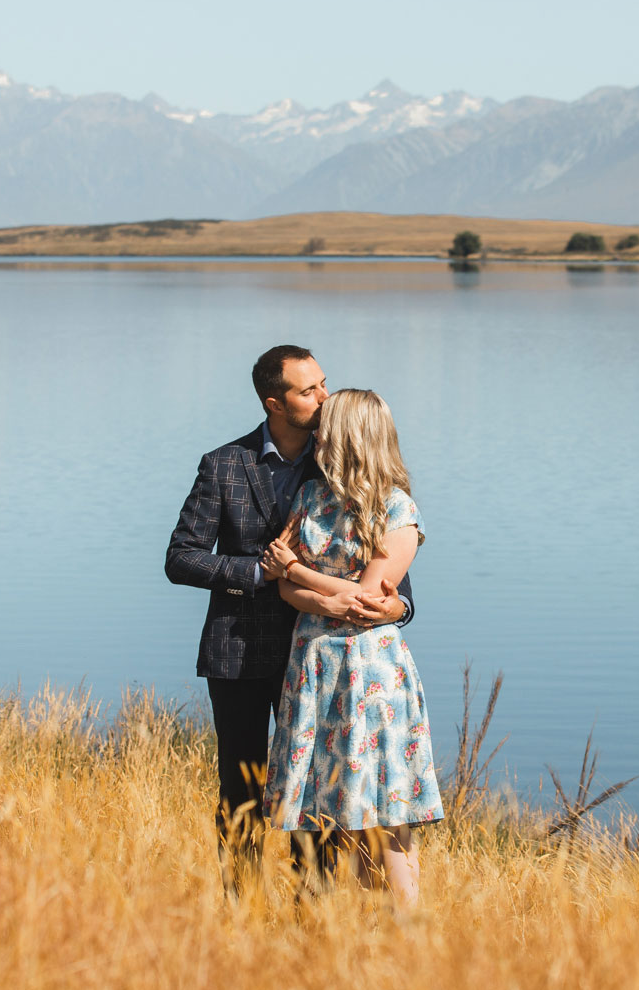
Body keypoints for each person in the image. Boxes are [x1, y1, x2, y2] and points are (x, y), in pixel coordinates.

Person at [166, 346, 413, 894]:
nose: (324, 397)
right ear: (275, 403)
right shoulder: (224, 464)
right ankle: (242, 911)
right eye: (309, 391)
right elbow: (181, 558)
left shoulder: (340, 463)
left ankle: (315, 912)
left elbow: (394, 584)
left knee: (321, 794)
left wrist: (398, 608)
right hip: (241, 654)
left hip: (326, 660)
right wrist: (261, 574)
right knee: (243, 792)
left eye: (324, 384)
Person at [263, 388, 441, 909]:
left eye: (327, 424)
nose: (316, 432)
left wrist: (296, 570)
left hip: (369, 672)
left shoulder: (397, 509)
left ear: (346, 435)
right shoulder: (312, 498)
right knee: (335, 804)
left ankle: (407, 933)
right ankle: (350, 933)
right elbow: (285, 593)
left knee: (386, 811)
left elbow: (370, 597)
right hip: (314, 664)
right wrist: (310, 588)